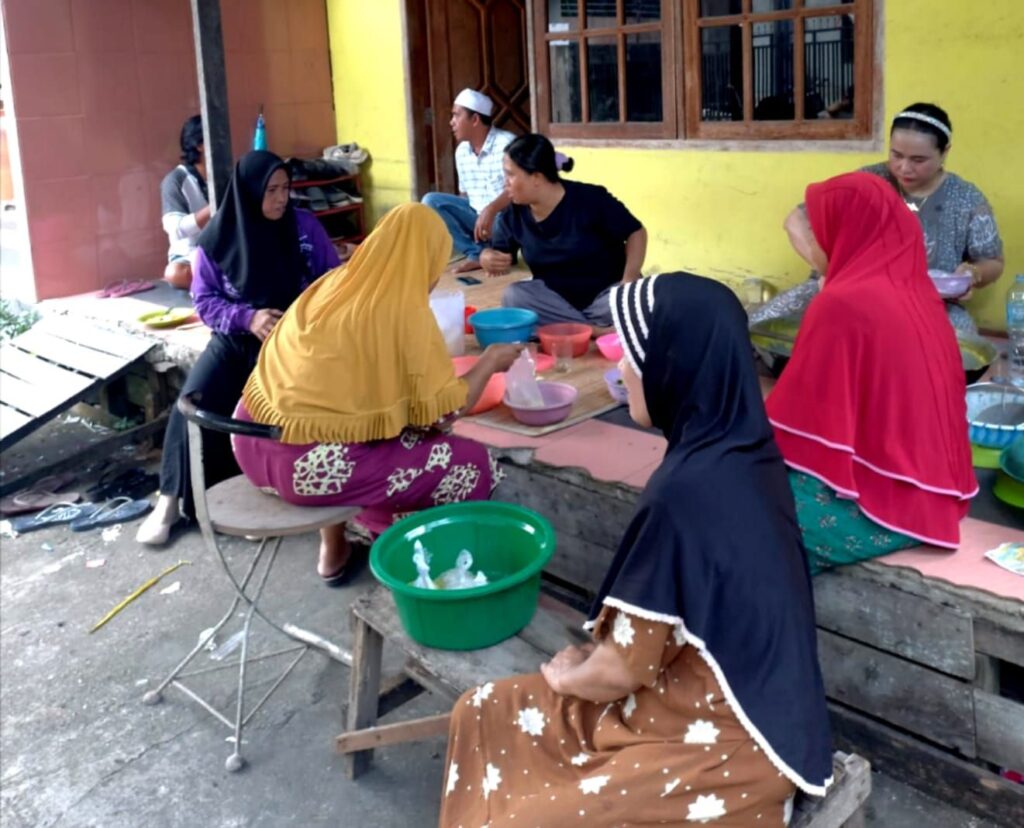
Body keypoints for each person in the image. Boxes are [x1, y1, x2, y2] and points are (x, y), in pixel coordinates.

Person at [440, 273, 833, 826]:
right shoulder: (746, 448)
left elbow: (621, 669)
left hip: (727, 746)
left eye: (632, 356)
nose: (622, 370)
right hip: (754, 703)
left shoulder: (684, 492)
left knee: (519, 809)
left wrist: (565, 676)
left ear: (673, 366)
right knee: (483, 710)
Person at [232, 203, 520, 583]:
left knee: (366, 420)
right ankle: (423, 569)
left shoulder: (333, 284)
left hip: (248, 441)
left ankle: (339, 548)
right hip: (303, 468)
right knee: (469, 460)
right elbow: (442, 415)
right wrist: (490, 361)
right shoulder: (402, 312)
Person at [768, 172, 977, 573]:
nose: (811, 252)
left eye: (815, 237)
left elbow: (796, 414)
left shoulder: (843, 304)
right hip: (938, 492)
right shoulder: (916, 291)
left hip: (884, 503)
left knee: (737, 502)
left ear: (843, 233)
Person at [136, 150, 340, 546]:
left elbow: (333, 281)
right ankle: (168, 502)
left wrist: (306, 319)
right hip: (234, 340)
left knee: (258, 419)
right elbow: (204, 301)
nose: (281, 198)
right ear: (248, 192)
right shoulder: (217, 239)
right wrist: (248, 318)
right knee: (193, 402)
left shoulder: (303, 228)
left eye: (285, 188)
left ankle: (250, 505)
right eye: (271, 190)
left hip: (291, 344)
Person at [751, 102, 1004, 335]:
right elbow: (796, 221)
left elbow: (992, 261)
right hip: (849, 294)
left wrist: (973, 273)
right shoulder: (867, 182)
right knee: (761, 328)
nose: (904, 167)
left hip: (929, 302)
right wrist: (829, 271)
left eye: (918, 160)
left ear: (944, 152)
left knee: (956, 347)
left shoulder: (965, 198)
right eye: (896, 155)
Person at [482, 134, 647, 328]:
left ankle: (573, 328)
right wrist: (487, 258)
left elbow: (636, 232)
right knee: (514, 296)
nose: (505, 183)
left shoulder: (590, 199)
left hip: (606, 299)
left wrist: (629, 279)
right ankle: (596, 330)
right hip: (556, 304)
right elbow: (498, 254)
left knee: (640, 297)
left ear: (536, 177)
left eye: (510, 175)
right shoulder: (513, 215)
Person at [421, 89, 516, 273]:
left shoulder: (507, 144)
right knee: (430, 201)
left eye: (456, 115)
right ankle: (477, 253)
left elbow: (519, 189)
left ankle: (499, 251)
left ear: (475, 119)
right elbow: (465, 195)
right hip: (477, 219)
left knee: (503, 219)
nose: (452, 122)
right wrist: (464, 221)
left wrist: (491, 209)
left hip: (503, 220)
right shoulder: (461, 151)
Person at [160, 115, 210, 290]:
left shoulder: (227, 174)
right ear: (199, 145)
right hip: (189, 255)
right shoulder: (175, 180)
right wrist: (215, 207)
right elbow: (176, 230)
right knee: (174, 273)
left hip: (224, 250)